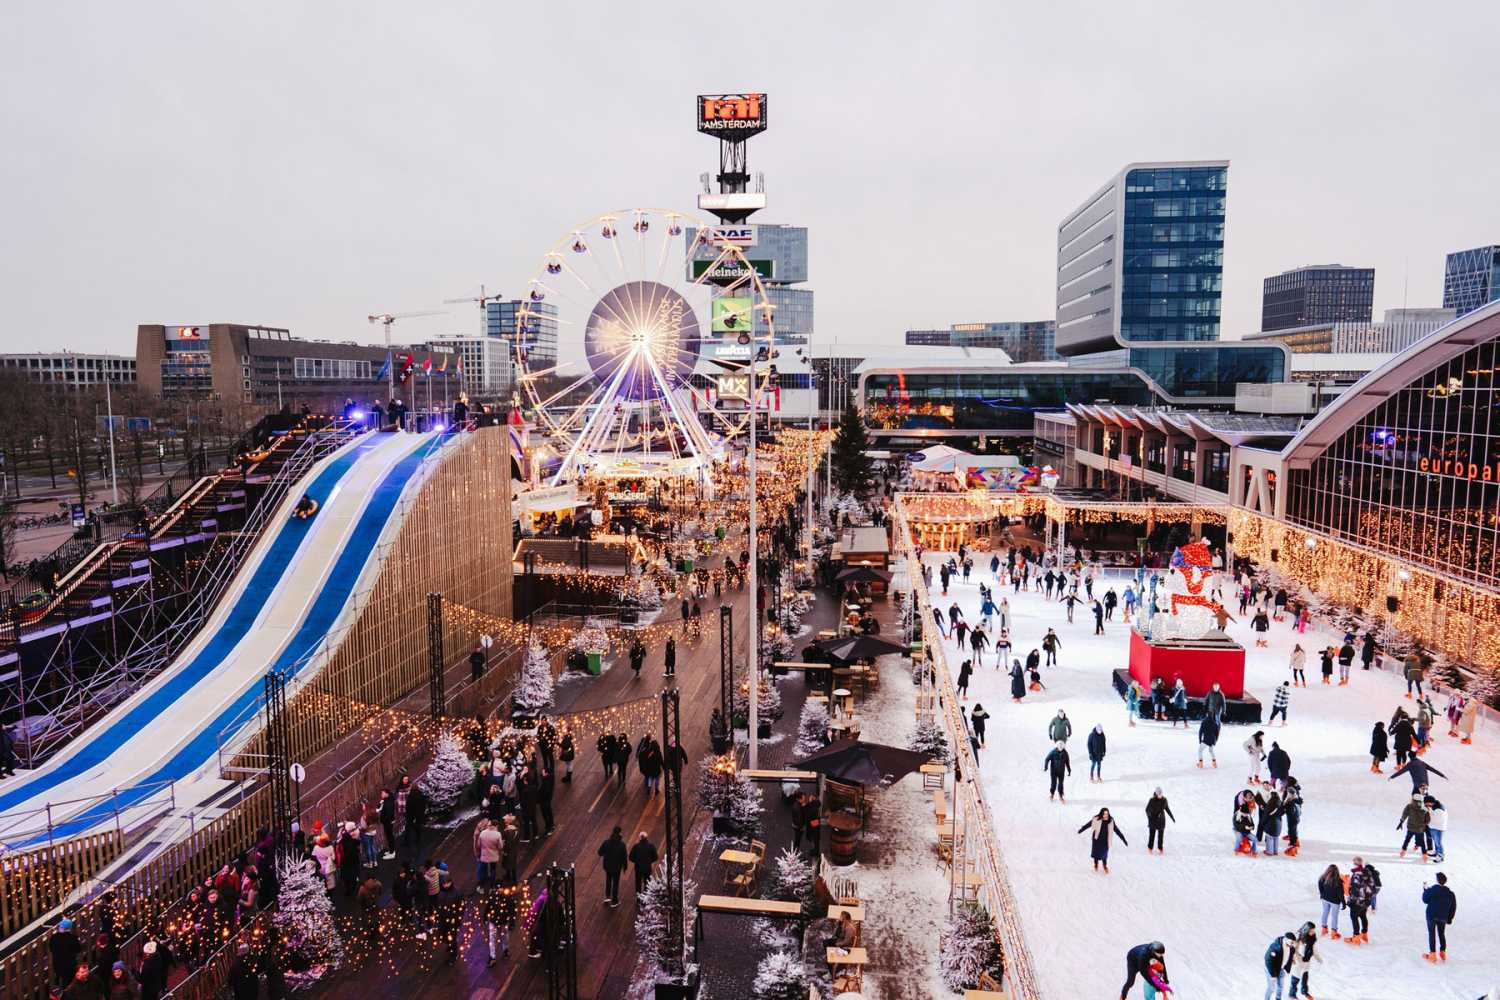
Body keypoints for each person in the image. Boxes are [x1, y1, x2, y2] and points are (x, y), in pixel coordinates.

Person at [1077, 807, 1127, 873]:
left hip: (1105, 840)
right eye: (1104, 814)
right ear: (1101, 814)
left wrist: (1123, 839)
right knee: (1096, 853)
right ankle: (1096, 864)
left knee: (1104, 854)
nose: (1106, 815)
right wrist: (1081, 830)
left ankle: (1105, 865)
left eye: (1107, 814)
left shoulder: (1111, 821)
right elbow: (1088, 825)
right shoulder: (1096, 819)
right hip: (1096, 839)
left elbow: (1117, 830)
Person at [1421, 871, 1456, 962]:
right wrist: (1449, 918)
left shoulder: (1433, 889)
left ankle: (1432, 955)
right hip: (1443, 916)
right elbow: (1453, 907)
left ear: (1437, 880)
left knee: (1432, 933)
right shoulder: (1450, 894)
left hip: (1431, 915)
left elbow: (1425, 899)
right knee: (1441, 933)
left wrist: (1425, 890)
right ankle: (1442, 952)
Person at [1346, 857, 1376, 944]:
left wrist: (1351, 900)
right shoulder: (1368, 872)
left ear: (1355, 864)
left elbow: (1355, 890)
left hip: (1358, 902)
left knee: (1354, 917)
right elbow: (1373, 886)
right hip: (1366, 901)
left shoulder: (1356, 875)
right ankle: (1364, 934)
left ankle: (1356, 937)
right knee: (1363, 916)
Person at [1287, 924, 1320, 999]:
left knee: (1305, 976)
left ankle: (1304, 992)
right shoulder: (1298, 937)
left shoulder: (1312, 938)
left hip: (1306, 960)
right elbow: (1291, 949)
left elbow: (1313, 949)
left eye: (1313, 930)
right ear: (1306, 930)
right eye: (1311, 930)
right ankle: (1292, 994)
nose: (1313, 932)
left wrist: (1318, 958)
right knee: (1296, 977)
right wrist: (1292, 959)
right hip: (1298, 960)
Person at [597, 826, 628, 907]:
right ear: (620, 833)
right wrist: (625, 867)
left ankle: (607, 896)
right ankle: (614, 900)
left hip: (607, 866)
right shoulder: (622, 845)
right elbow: (624, 857)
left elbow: (599, 852)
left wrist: (606, 854)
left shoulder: (606, 842)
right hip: (617, 867)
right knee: (616, 883)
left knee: (608, 880)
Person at [1263, 929, 1297, 1000]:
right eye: (1291, 942)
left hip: (1281, 968)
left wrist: (1291, 960)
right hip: (1271, 969)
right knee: (1271, 988)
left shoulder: (1291, 948)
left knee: (1280, 986)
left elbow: (1290, 954)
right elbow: (1268, 960)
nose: (1292, 944)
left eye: (1293, 943)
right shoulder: (1276, 947)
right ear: (1286, 939)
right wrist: (1272, 975)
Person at [1397, 793, 1430, 860]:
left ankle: (1403, 852)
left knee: (1407, 840)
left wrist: (1401, 822)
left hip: (1411, 828)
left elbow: (1404, 814)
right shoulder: (1425, 809)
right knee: (1422, 842)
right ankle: (1424, 855)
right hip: (1420, 829)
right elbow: (1428, 820)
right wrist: (1424, 825)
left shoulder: (1409, 806)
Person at [50, 918, 82, 987]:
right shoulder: (73, 938)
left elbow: (51, 949)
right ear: (69, 928)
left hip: (58, 964)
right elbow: (78, 950)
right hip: (70, 965)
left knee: (60, 979)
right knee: (69, 982)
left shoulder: (53, 938)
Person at [1317, 864, 1345, 939]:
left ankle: (1324, 929)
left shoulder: (1323, 878)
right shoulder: (1338, 881)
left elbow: (1320, 886)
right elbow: (1340, 893)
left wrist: (1322, 894)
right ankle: (1334, 933)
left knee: (1325, 912)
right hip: (1335, 901)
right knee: (1334, 916)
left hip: (1325, 899)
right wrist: (1343, 902)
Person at [1145, 788, 1175, 853]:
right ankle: (1150, 848)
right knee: (1152, 835)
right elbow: (1147, 810)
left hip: (1161, 821)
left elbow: (1167, 809)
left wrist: (1172, 817)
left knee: (1161, 836)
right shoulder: (1152, 800)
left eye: (1161, 794)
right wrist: (1150, 817)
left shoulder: (1164, 800)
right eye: (1159, 794)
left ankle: (1160, 848)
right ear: (1156, 794)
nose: (1160, 795)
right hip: (1153, 821)